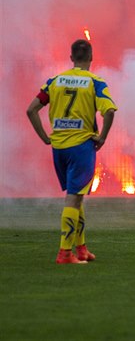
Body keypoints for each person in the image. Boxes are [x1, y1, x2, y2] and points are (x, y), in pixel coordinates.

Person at [26, 39, 117, 264]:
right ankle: (65, 253)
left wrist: (44, 137)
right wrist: (103, 137)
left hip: (59, 148)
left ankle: (81, 249)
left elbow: (31, 110)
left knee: (77, 198)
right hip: (81, 147)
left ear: (71, 58)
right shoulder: (95, 82)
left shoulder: (54, 81)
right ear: (92, 57)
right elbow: (110, 111)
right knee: (73, 198)